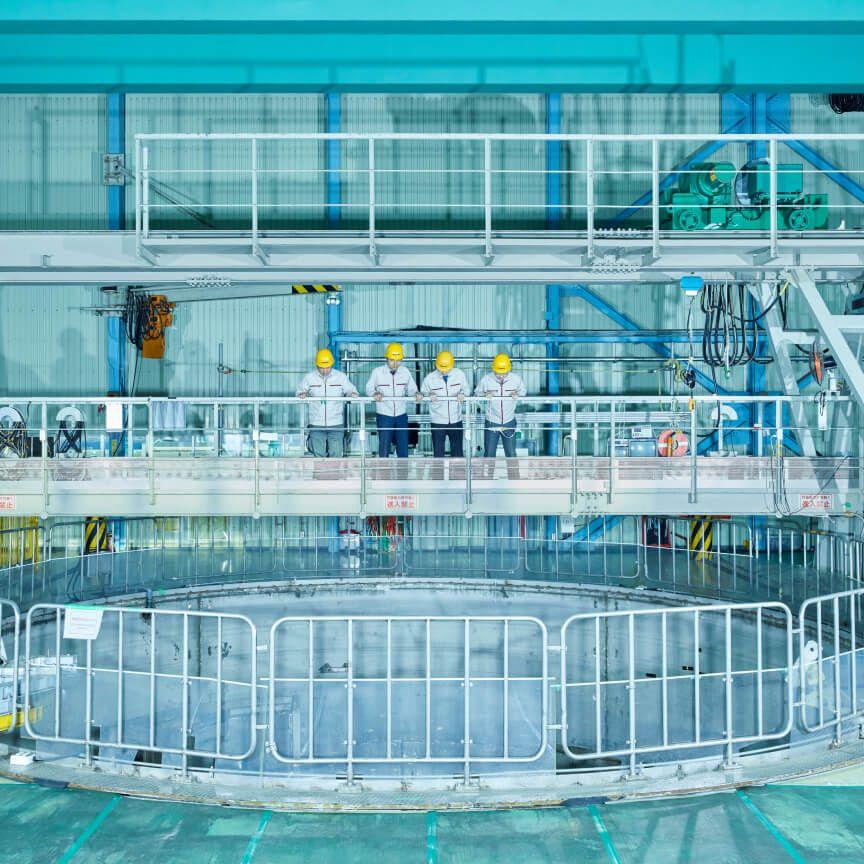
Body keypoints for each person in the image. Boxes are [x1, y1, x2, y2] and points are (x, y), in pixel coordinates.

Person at [296, 348, 358, 457]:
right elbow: (299, 392)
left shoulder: (341, 377)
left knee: (336, 456)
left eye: (327, 367)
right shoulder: (309, 378)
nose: (325, 370)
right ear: (316, 365)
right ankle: (320, 474)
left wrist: (351, 394)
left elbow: (352, 391)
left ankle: (335, 474)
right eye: (321, 368)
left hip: (336, 424)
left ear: (332, 364)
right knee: (319, 456)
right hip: (316, 424)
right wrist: (302, 394)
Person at [365, 342, 421, 457]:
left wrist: (416, 393)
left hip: (401, 415)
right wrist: (374, 393)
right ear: (386, 358)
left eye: (398, 360)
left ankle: (403, 473)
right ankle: (383, 473)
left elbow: (412, 388)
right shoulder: (377, 372)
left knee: (403, 447)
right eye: (392, 360)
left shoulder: (405, 372)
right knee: (384, 447)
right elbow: (369, 388)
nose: (395, 363)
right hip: (384, 415)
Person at [475, 353, 526, 457]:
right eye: (498, 373)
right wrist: (485, 394)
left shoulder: (515, 379)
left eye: (504, 373)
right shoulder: (486, 379)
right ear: (493, 369)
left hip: (509, 421)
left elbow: (523, 391)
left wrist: (517, 394)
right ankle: (489, 474)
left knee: (511, 453)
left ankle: (513, 474)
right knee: (489, 454)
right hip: (491, 422)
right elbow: (477, 393)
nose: (501, 376)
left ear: (509, 369)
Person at [420, 350, 467, 457]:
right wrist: (428, 394)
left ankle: (457, 473)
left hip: (456, 420)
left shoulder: (459, 375)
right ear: (437, 365)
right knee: (438, 453)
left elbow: (467, 390)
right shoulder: (430, 378)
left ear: (452, 364)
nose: (445, 371)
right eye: (442, 369)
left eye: (448, 369)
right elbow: (422, 394)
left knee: (457, 452)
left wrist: (462, 393)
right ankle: (438, 474)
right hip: (437, 421)